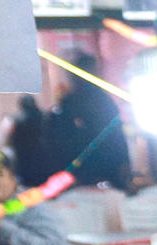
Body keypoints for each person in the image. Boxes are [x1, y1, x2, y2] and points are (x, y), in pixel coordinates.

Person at [46, 54, 132, 191]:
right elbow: (117, 135)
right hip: (98, 170)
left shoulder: (72, 102)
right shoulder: (99, 100)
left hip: (86, 172)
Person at [4, 94, 56, 188]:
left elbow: (7, 139)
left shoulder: (15, 119)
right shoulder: (45, 116)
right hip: (42, 154)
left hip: (22, 156)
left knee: (26, 182)